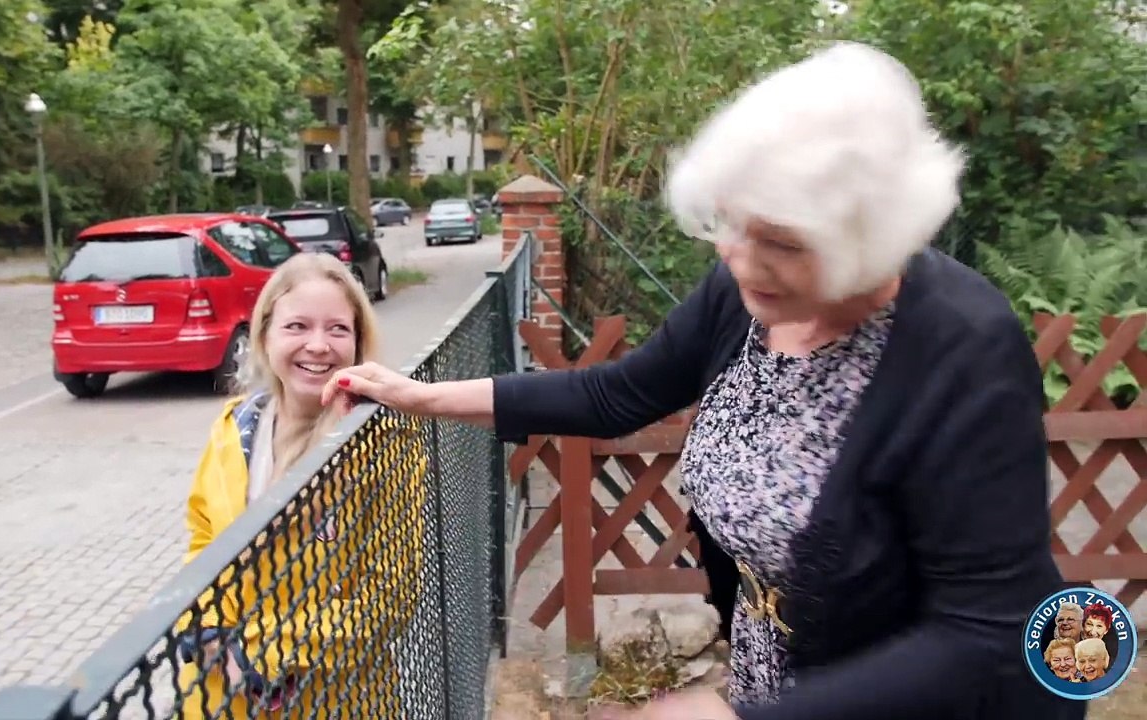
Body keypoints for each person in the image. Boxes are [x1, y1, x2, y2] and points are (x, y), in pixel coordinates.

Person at [321, 43, 1085, 720]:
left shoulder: (965, 351)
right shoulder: (743, 293)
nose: (741, 259)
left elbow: (986, 633)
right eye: (731, 222)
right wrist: (418, 397)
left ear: (871, 232)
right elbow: (613, 395)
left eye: (781, 241)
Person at [175, 253, 425, 719]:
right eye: (297, 327)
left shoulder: (384, 444)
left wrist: (259, 656)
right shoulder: (232, 429)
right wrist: (207, 633)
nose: (318, 346)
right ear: (265, 334)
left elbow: (389, 596)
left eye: (337, 329)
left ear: (358, 342)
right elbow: (203, 539)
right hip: (213, 695)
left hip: (328, 697)